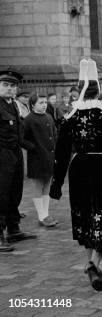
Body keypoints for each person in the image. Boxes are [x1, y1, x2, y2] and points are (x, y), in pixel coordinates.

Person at [50, 59, 102, 292]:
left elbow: (61, 152)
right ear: (99, 90)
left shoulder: (70, 118)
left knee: (85, 214)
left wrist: (56, 183)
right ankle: (94, 262)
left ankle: (89, 262)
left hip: (79, 167)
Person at [0, 70, 37, 252]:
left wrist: (33, 147)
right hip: (2, 155)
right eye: (5, 85)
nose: (9, 89)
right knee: (1, 194)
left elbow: (18, 132)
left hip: (14, 154)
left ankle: (13, 229)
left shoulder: (13, 104)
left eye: (12, 86)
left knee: (15, 192)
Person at [22, 93, 58, 228]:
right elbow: (22, 138)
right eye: (40, 103)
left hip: (50, 157)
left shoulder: (48, 116)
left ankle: (46, 214)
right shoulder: (28, 119)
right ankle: (41, 216)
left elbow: (54, 134)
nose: (44, 105)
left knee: (47, 184)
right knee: (39, 185)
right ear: (32, 105)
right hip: (37, 158)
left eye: (45, 103)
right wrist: (33, 147)